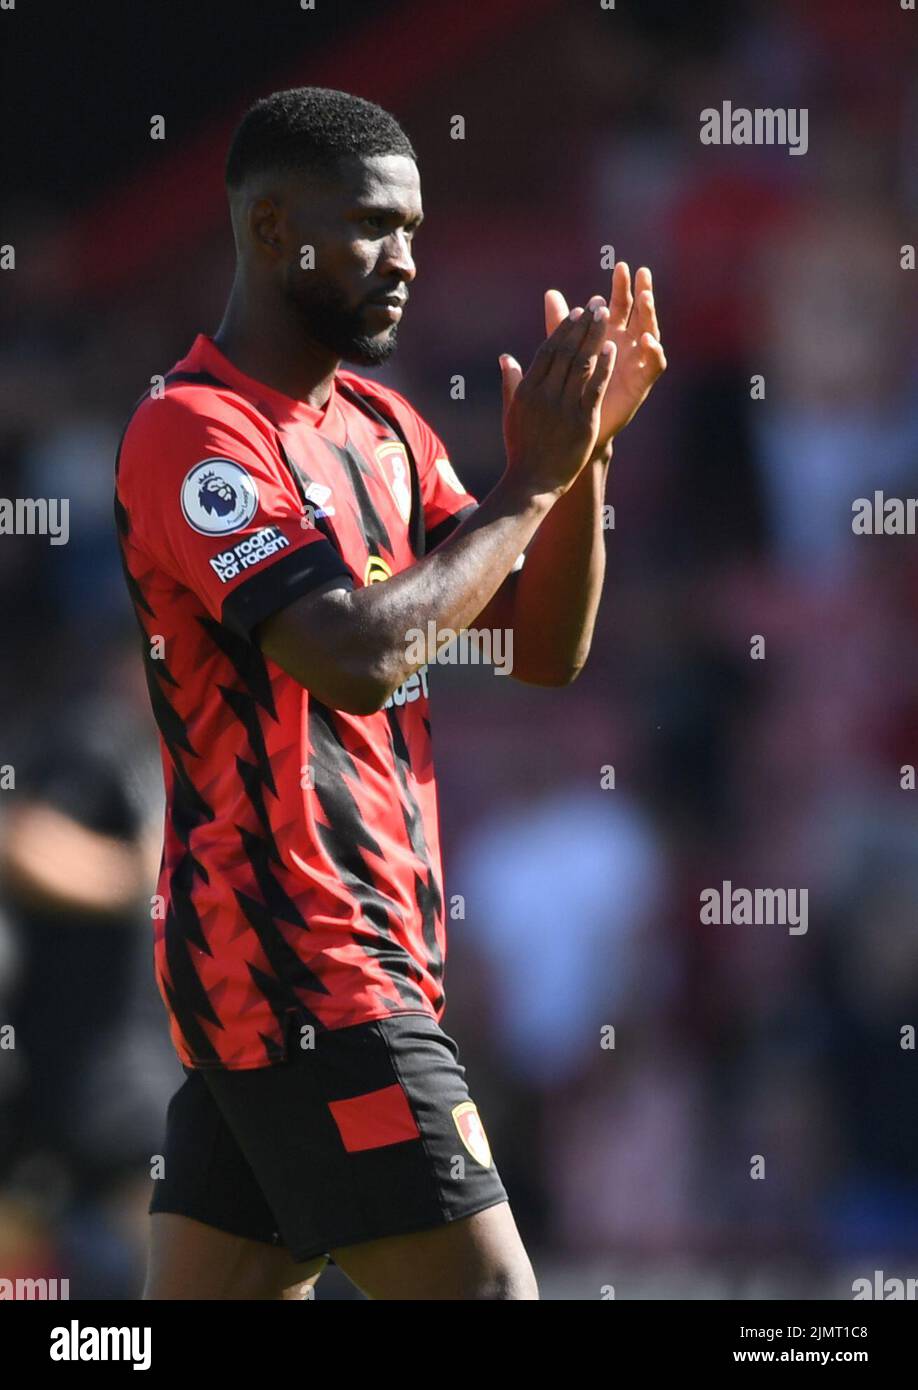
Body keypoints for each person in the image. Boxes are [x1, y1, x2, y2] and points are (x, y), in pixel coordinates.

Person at [113, 85, 665, 1300]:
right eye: (371, 226)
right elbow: (353, 654)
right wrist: (527, 488)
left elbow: (538, 646)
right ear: (269, 232)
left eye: (414, 228)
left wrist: (582, 469)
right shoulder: (193, 435)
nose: (406, 261)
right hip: (307, 966)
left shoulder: (385, 428)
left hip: (323, 977)